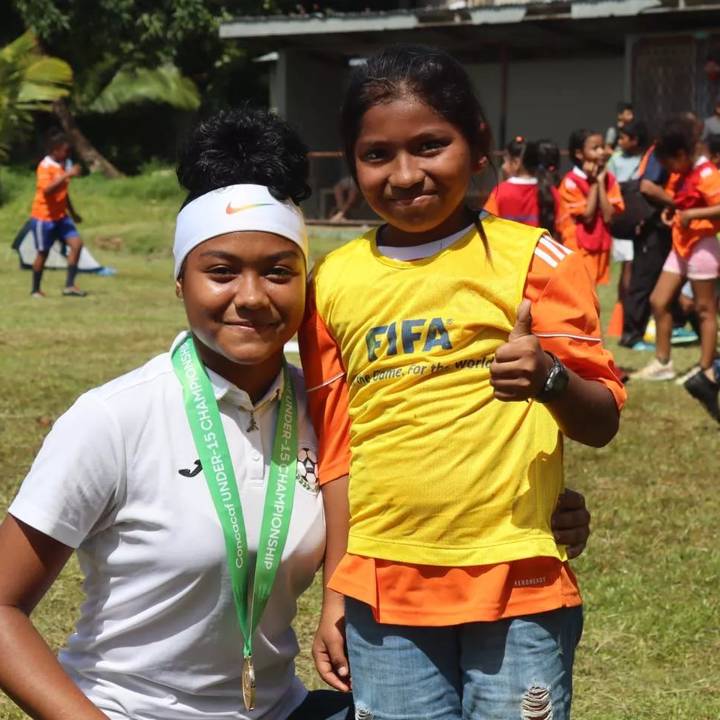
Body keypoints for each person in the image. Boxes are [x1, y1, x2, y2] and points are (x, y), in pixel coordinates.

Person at [300, 45, 625, 720]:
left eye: (430, 145)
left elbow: (601, 420)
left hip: (520, 585)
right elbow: (337, 453)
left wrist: (550, 380)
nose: (405, 173)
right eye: (377, 154)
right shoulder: (330, 284)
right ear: (351, 160)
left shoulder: (535, 261)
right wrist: (337, 589)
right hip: (382, 593)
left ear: (477, 145)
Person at [0, 107, 355, 720]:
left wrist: (549, 511)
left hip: (280, 709)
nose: (251, 297)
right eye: (221, 272)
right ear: (180, 283)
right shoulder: (115, 417)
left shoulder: (325, 409)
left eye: (278, 272)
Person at [633, 116, 720, 420]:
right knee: (659, 300)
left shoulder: (707, 173)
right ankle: (662, 362)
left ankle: (707, 370)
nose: (669, 171)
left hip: (703, 246)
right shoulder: (682, 174)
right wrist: (675, 212)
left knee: (706, 310)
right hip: (681, 245)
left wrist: (692, 214)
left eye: (670, 163)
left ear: (682, 155)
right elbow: (681, 203)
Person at [558, 128, 625, 287]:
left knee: (593, 294)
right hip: (578, 246)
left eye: (602, 147)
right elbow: (587, 216)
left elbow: (609, 216)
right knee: (580, 293)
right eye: (595, 148)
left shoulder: (608, 179)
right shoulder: (570, 182)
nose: (602, 151)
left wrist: (600, 182)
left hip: (600, 245)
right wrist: (595, 182)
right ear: (579, 154)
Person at [29, 131, 87, 298]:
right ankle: (35, 289)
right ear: (55, 150)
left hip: (61, 216)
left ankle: (69, 286)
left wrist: (73, 212)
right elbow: (47, 190)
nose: (67, 154)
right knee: (43, 253)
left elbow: (63, 191)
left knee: (76, 244)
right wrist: (67, 175)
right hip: (43, 217)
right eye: (64, 150)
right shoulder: (45, 166)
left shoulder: (64, 164)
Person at [607, 120, 648, 330]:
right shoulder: (615, 159)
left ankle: (634, 311)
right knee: (628, 265)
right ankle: (623, 309)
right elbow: (609, 185)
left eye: (623, 138)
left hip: (641, 218)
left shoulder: (645, 159)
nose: (619, 141)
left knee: (637, 266)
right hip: (623, 220)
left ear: (635, 140)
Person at [484, 136, 558, 233]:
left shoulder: (500, 192)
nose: (503, 166)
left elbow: (486, 225)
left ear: (515, 163)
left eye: (505, 160)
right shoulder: (552, 192)